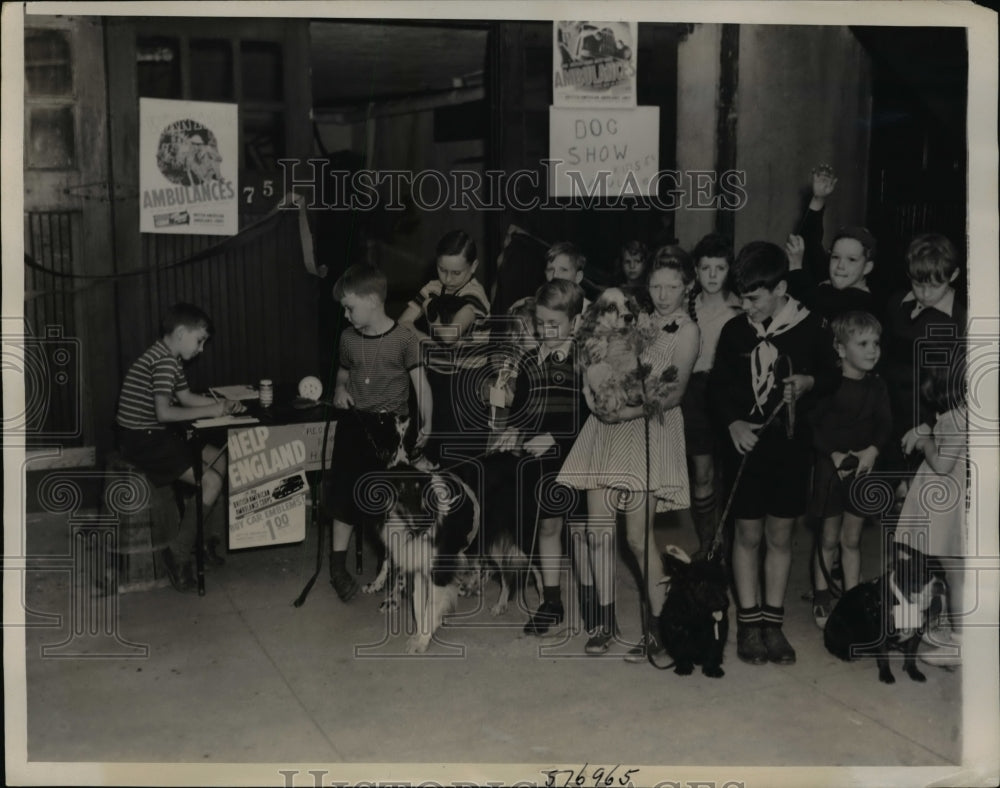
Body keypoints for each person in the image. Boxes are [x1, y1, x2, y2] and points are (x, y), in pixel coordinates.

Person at [558, 251, 699, 660]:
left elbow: (675, 394)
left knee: (638, 540)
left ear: (687, 287)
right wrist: (596, 396)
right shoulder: (635, 319)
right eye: (656, 286)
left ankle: (660, 628)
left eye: (672, 286)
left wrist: (626, 412)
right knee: (599, 533)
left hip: (648, 430)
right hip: (607, 432)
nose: (663, 294)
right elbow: (598, 357)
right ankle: (605, 622)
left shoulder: (685, 331)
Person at [710, 241, 839, 665]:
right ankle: (749, 623)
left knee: (780, 535)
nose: (745, 306)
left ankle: (773, 623)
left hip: (789, 448)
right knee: (746, 535)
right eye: (742, 297)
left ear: (782, 287)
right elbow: (718, 389)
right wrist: (733, 422)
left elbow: (833, 376)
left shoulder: (812, 325)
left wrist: (808, 383)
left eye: (754, 298)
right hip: (745, 449)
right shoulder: (734, 333)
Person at [116, 302, 245, 592]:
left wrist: (219, 406)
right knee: (211, 480)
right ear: (181, 333)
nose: (201, 349)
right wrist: (210, 412)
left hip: (154, 434)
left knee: (219, 460)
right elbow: (164, 413)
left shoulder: (168, 358)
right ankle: (178, 553)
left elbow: (185, 398)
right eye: (200, 341)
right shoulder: (163, 361)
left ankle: (204, 542)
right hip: (143, 438)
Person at [488, 280, 591, 635]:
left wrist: (555, 437)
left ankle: (594, 598)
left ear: (575, 323)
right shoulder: (530, 360)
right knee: (547, 526)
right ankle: (552, 602)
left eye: (554, 324)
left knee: (581, 531)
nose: (545, 330)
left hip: (577, 456)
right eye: (540, 322)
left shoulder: (584, 360)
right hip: (540, 461)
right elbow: (521, 408)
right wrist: (514, 430)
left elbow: (590, 414)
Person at [328, 264, 433, 601]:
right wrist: (339, 392)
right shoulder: (348, 339)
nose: (345, 315)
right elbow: (342, 375)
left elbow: (421, 384)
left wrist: (427, 422)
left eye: (349, 306)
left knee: (387, 505)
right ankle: (336, 567)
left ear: (372, 300)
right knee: (343, 496)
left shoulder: (404, 338)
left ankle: (393, 569)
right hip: (355, 424)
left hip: (391, 431)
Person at [807, 311, 892, 628]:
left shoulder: (877, 386)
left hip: (862, 470)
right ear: (841, 349)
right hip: (832, 468)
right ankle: (821, 595)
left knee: (852, 538)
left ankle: (852, 599)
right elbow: (813, 427)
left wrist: (873, 450)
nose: (873, 350)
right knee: (828, 537)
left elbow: (885, 424)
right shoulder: (829, 386)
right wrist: (835, 454)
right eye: (863, 343)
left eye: (876, 343)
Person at [894, 361, 967, 668]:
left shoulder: (954, 419)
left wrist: (925, 443)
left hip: (947, 504)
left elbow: (942, 464)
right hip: (949, 501)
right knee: (952, 569)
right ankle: (952, 628)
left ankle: (960, 642)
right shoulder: (963, 414)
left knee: (955, 572)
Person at [882, 234, 966, 489]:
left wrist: (927, 425)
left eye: (934, 286)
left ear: (953, 276)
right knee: (886, 489)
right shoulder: (896, 303)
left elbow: (953, 386)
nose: (925, 294)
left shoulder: (960, 320)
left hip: (926, 417)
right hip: (888, 408)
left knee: (917, 494)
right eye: (918, 285)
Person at [399, 230, 490, 463]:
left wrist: (429, 314)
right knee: (428, 453)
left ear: (474, 267)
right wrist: (427, 340)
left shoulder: (474, 295)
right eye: (442, 270)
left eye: (456, 272)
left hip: (466, 386)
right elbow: (402, 324)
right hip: (435, 380)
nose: (447, 279)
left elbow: (449, 336)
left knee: (460, 459)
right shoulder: (432, 287)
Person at [684, 233, 742, 558]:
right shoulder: (686, 306)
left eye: (719, 268)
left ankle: (730, 545)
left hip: (730, 394)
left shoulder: (740, 309)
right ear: (696, 270)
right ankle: (708, 543)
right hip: (694, 394)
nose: (712, 275)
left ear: (728, 270)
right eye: (705, 268)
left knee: (729, 475)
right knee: (702, 473)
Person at [544, 241, 593, 313]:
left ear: (578, 277)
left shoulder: (589, 313)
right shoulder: (537, 305)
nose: (555, 276)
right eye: (550, 270)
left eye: (563, 270)